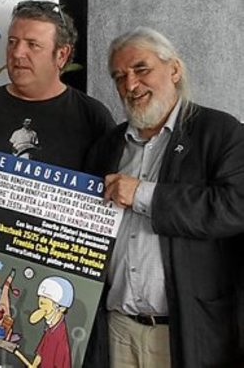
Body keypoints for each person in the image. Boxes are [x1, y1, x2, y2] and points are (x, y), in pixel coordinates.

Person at [82, 27, 244, 367]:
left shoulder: (221, 132)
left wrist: (143, 195)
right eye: (119, 76)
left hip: (187, 333)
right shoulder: (106, 147)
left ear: (174, 69)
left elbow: (235, 207)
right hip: (116, 330)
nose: (130, 85)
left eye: (141, 69)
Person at [0, 0, 114, 196]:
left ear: (61, 55)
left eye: (33, 45)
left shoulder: (92, 118)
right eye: (12, 42)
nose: (17, 53)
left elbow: (110, 198)